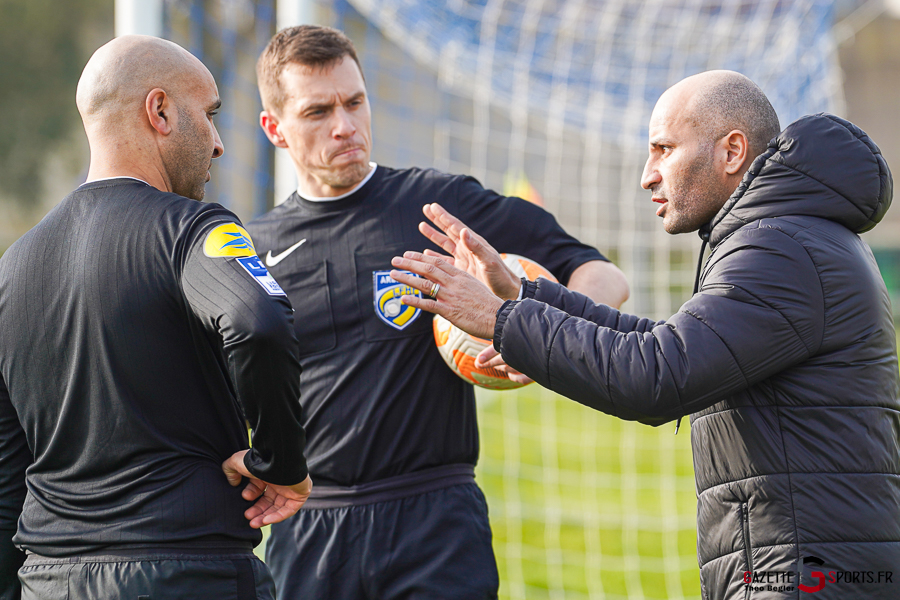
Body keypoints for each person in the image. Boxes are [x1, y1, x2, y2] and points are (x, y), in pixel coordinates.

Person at [391, 70, 899, 599]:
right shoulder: (792, 234)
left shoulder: (780, 249)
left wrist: (500, 320)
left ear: (731, 152)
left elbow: (659, 374)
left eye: (663, 149)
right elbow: (667, 344)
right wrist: (524, 296)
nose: (647, 175)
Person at [248, 24, 629, 600]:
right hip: (310, 528)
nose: (345, 126)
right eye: (317, 111)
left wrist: (533, 337)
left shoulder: (437, 210)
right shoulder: (252, 249)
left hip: (436, 520)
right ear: (274, 128)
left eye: (355, 102)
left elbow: (603, 277)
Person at [0, 35, 313, 600]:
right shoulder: (194, 230)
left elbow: (6, 474)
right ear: (160, 111)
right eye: (210, 114)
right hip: (186, 572)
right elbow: (259, 322)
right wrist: (280, 461)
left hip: (48, 580)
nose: (218, 143)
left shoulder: (12, 267)